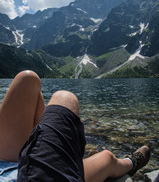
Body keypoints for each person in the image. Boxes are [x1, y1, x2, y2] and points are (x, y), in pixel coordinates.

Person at [0, 70, 150, 182]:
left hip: (4, 164)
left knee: (27, 79)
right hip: (37, 178)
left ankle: (43, 152)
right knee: (65, 97)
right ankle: (131, 163)